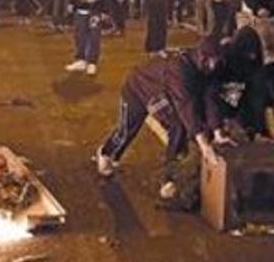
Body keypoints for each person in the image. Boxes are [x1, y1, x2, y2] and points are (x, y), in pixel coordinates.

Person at [95, 28, 263, 204]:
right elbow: (186, 106)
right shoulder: (179, 70)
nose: (214, 66)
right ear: (203, 57)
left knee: (179, 127)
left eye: (217, 62)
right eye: (212, 61)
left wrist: (218, 131)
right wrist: (204, 144)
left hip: (166, 92)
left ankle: (169, 178)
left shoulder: (208, 67)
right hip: (139, 88)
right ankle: (106, 152)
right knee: (127, 130)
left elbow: (210, 98)